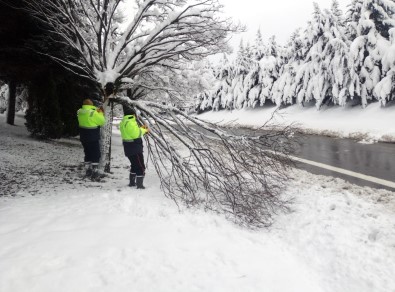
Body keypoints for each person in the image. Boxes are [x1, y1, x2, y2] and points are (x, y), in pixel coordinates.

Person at [119, 107, 150, 189]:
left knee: (134, 165)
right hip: (134, 148)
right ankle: (140, 186)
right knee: (140, 166)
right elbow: (136, 134)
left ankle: (132, 183)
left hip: (129, 147)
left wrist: (141, 128)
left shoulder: (124, 121)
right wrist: (144, 130)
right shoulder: (130, 122)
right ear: (133, 114)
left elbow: (132, 132)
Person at [77, 99, 106, 181]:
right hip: (92, 136)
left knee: (87, 153)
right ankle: (95, 171)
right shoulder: (93, 112)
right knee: (96, 154)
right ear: (91, 105)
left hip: (83, 137)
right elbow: (102, 121)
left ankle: (87, 170)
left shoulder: (80, 111)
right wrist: (100, 113)